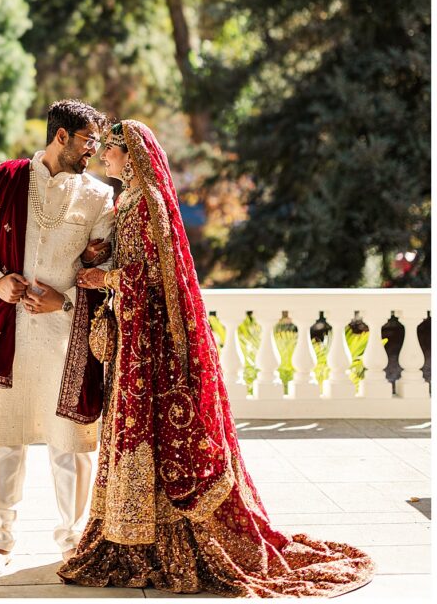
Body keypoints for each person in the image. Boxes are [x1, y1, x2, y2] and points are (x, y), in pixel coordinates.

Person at [59, 120, 375, 596]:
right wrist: (101, 260)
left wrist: (102, 281)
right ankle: (128, 538)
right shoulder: (128, 202)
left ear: (133, 155)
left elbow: (144, 281)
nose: (104, 157)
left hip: (155, 349)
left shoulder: (149, 204)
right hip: (136, 343)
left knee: (161, 441)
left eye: (111, 150)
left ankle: (156, 543)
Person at [0, 100, 114, 577]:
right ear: (60, 136)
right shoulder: (2, 180)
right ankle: (0, 543)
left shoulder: (100, 197)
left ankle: (72, 541)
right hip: (8, 331)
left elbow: (103, 267)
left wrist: (62, 301)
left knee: (71, 443)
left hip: (67, 332)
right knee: (6, 440)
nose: (93, 152)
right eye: (87, 141)